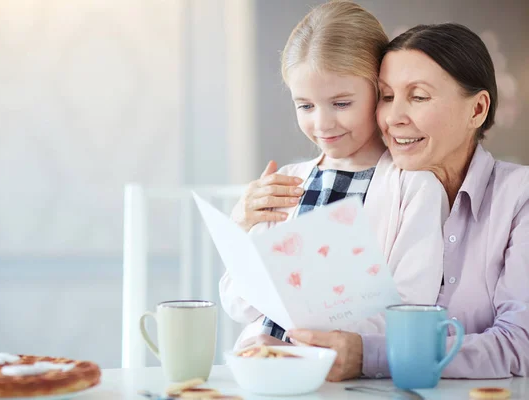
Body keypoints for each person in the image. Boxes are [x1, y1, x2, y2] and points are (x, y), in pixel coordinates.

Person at [287, 22, 529, 381]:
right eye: (386, 97)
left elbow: (518, 345)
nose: (393, 118)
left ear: (477, 110)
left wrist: (369, 354)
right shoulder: (361, 193)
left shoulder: (519, 197)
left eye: (418, 97)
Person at [219, 0, 448, 356]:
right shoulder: (286, 182)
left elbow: (409, 309)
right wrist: (242, 229)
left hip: (345, 372)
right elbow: (239, 304)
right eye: (305, 106)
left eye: (341, 103)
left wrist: (302, 345)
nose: (322, 124)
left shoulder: (414, 188)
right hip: (264, 363)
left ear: (379, 92)